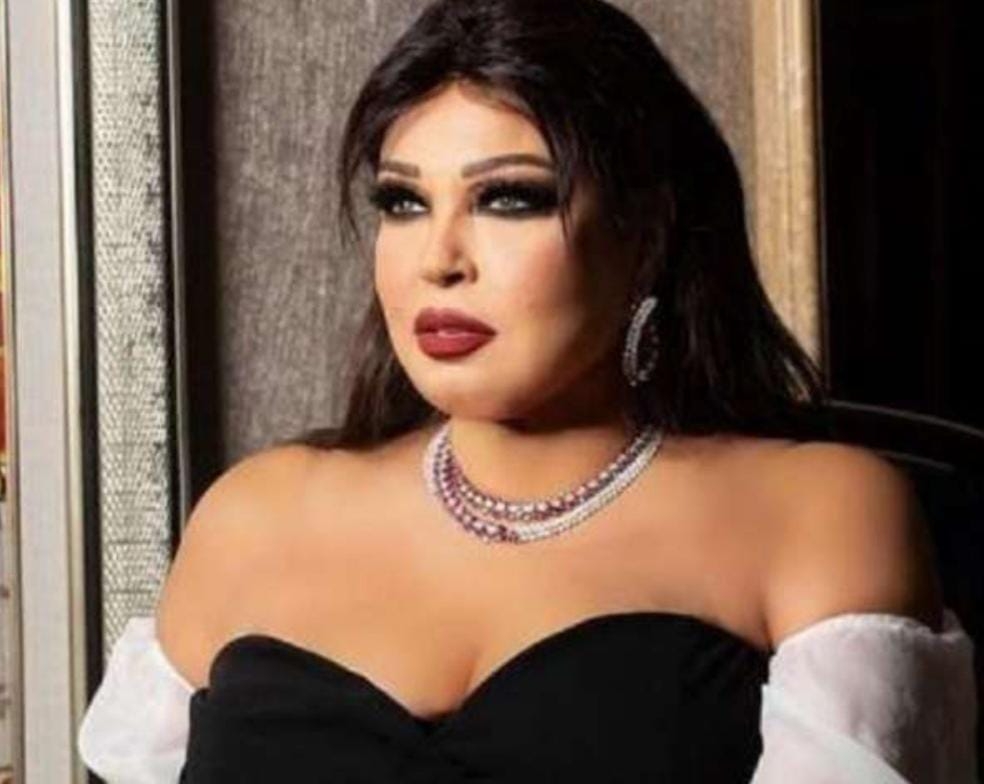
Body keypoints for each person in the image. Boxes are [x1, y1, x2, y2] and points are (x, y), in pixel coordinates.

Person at [77, 0, 978, 781]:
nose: (439, 259)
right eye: (403, 202)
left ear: (646, 232)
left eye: (510, 199)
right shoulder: (253, 517)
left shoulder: (819, 513)